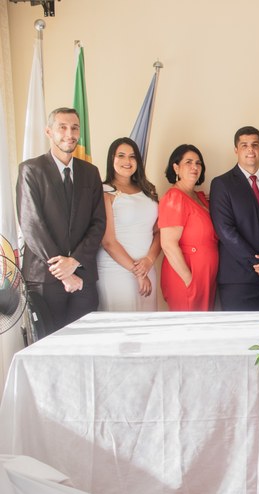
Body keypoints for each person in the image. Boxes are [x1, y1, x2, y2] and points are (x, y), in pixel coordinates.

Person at [16, 107, 106, 334]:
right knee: (48, 347)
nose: (69, 134)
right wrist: (64, 272)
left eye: (75, 128)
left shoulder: (91, 172)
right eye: (62, 127)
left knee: (86, 344)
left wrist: (74, 262)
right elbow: (32, 226)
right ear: (49, 131)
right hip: (44, 280)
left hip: (83, 278)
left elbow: (98, 223)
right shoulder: (31, 170)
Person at [209, 126, 259, 311]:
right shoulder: (221, 184)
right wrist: (258, 262)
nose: (250, 149)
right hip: (237, 279)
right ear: (236, 150)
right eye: (244, 145)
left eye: (255, 145)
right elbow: (225, 230)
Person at [96, 137, 160, 311]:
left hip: (147, 268)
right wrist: (137, 272)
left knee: (147, 322)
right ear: (112, 159)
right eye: (121, 155)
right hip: (116, 271)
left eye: (132, 156)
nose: (127, 161)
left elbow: (158, 232)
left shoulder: (148, 190)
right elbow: (108, 242)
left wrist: (148, 261)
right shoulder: (104, 191)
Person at [158, 144, 218, 311]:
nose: (195, 167)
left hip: (205, 276)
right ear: (176, 167)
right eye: (188, 162)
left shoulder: (200, 197)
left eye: (198, 163)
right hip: (186, 276)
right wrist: (189, 280)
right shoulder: (174, 198)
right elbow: (168, 244)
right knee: (188, 324)